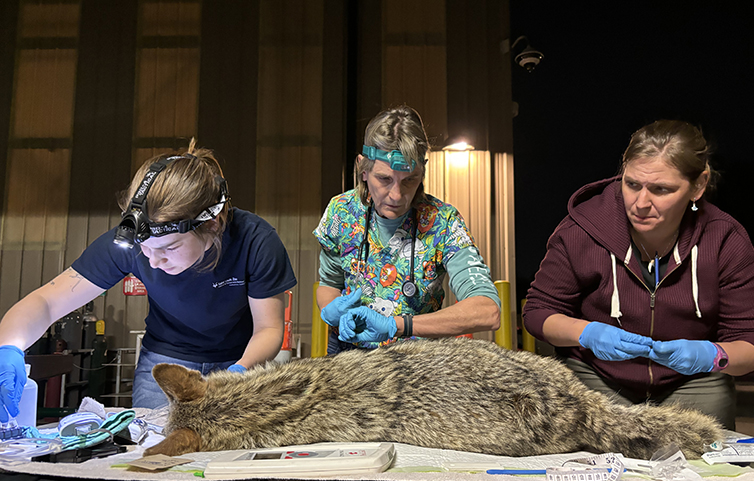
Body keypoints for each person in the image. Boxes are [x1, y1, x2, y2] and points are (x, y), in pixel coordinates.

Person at [0, 140, 296, 416]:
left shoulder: (256, 241)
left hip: (241, 358)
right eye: (145, 248)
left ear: (213, 224)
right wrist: (8, 348)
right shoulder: (128, 244)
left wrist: (238, 372)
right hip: (166, 361)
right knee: (158, 447)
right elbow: (47, 302)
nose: (153, 260)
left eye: (170, 247)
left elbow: (268, 330)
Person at [523, 120, 754, 429]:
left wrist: (713, 356)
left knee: (708, 466)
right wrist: (587, 333)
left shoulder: (726, 240)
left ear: (698, 186)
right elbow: (538, 313)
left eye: (661, 189)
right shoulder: (581, 230)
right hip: (596, 377)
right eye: (632, 184)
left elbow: (751, 343)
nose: (641, 203)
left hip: (692, 382)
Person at [313, 105, 501, 353]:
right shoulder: (341, 212)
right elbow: (329, 284)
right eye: (384, 179)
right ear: (363, 169)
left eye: (409, 180)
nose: (396, 195)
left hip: (418, 364)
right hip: (349, 361)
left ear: (422, 172)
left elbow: (487, 311)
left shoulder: (443, 222)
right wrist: (333, 311)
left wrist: (399, 325)